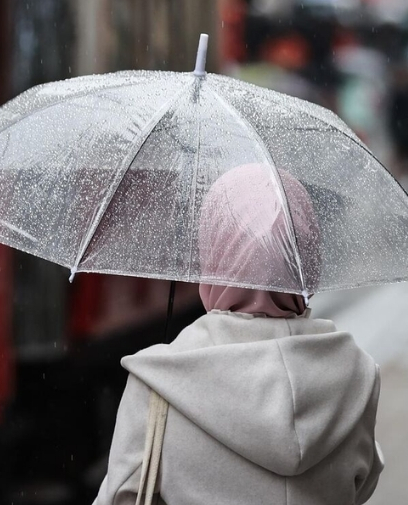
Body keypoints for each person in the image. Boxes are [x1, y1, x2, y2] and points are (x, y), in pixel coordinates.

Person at [93, 165, 383, 505]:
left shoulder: (158, 383)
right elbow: (362, 482)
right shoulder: (357, 375)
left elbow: (122, 497)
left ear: (213, 253)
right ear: (308, 259)